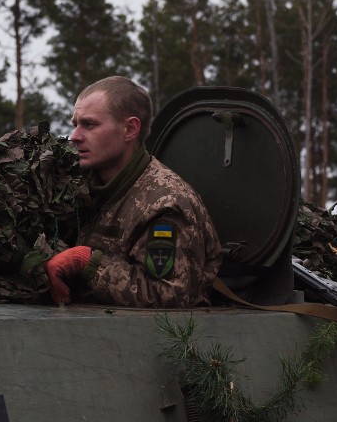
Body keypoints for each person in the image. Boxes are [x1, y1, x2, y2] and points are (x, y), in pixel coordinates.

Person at [45, 76, 221, 307]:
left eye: (89, 125)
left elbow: (169, 295)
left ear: (130, 129)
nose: (75, 136)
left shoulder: (166, 204)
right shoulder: (80, 185)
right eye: (75, 124)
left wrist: (89, 263)